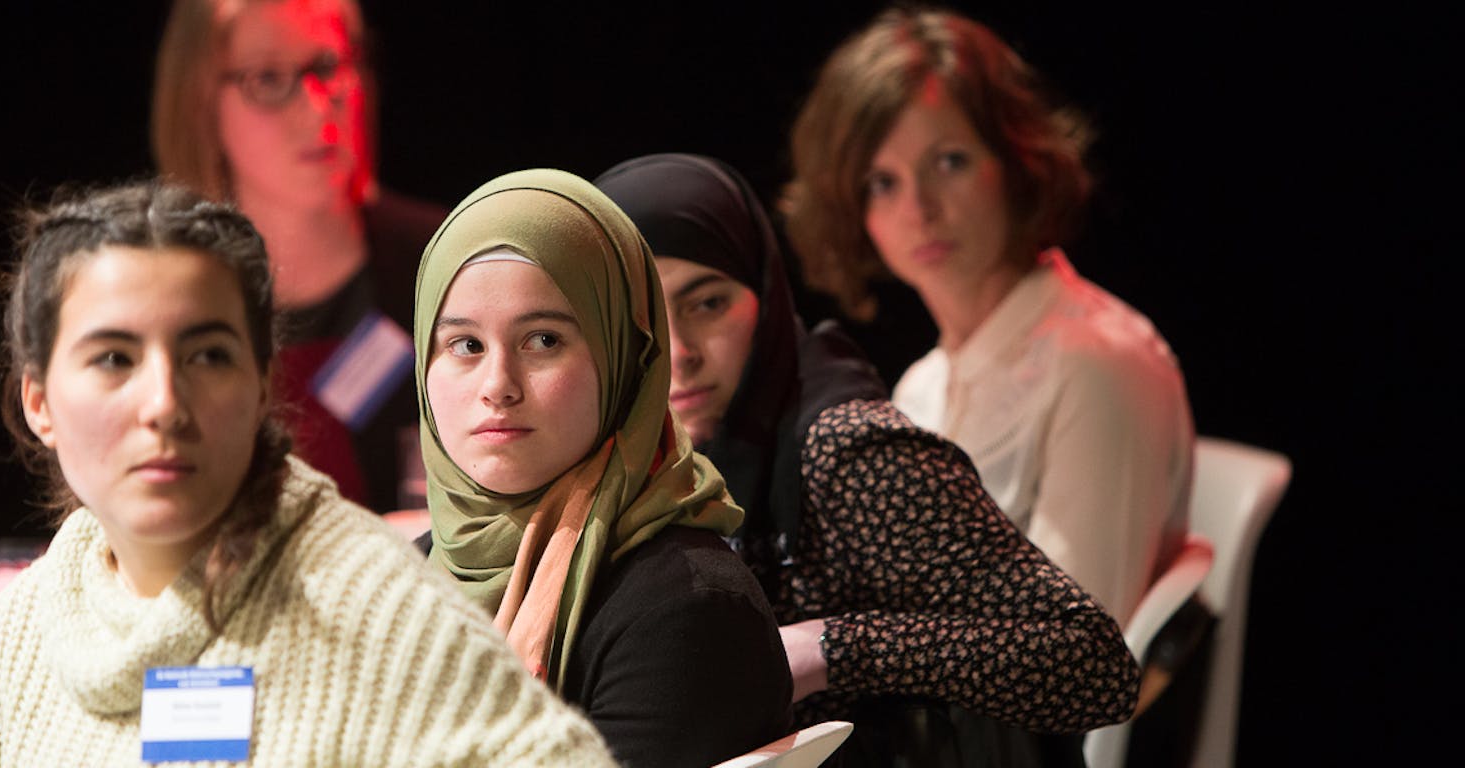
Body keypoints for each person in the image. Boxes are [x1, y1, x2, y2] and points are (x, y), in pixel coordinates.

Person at [0, 181, 616, 766]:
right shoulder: (23, 632)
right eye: (114, 359)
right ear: (40, 402)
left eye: (208, 356)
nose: (164, 404)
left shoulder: (371, 608)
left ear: (262, 385)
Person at [597, 153, 1140, 766]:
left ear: (765, 295)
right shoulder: (635, 461)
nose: (682, 353)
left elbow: (1094, 665)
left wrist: (832, 647)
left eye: (708, 304)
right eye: (645, 322)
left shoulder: (848, 452)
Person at [783, 7, 1194, 625]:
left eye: (948, 162)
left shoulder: (1098, 365)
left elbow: (1079, 659)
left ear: (1017, 160)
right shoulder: (921, 386)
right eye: (881, 182)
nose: (918, 209)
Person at [415, 169, 793, 767]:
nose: (497, 387)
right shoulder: (402, 579)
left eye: (542, 340)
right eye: (465, 345)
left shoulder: (687, 609)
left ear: (623, 357)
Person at [153, 0, 446, 511]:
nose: (317, 107)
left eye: (330, 67)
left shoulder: (447, 260)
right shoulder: (158, 297)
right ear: (199, 102)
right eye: (268, 78)